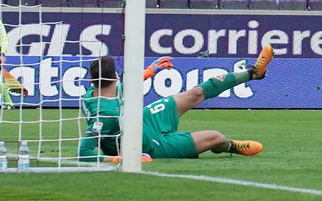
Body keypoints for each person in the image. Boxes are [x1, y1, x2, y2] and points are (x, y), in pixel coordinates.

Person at [78, 46, 274, 162]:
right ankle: (229, 146)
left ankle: (252, 73)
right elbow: (83, 153)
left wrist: (150, 71)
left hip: (145, 120)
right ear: (115, 76)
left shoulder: (92, 92)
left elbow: (123, 86)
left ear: (92, 79)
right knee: (215, 136)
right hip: (149, 145)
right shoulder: (103, 115)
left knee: (195, 93)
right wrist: (119, 158)